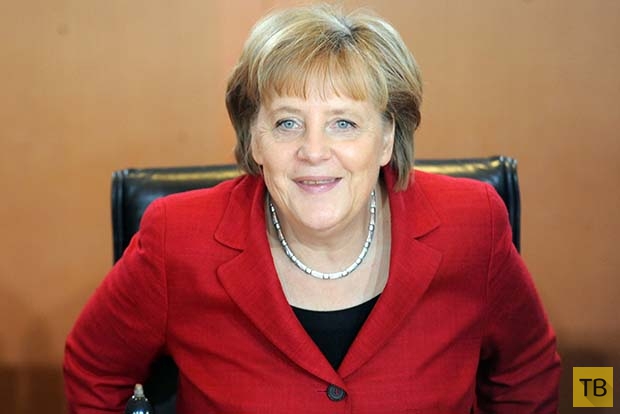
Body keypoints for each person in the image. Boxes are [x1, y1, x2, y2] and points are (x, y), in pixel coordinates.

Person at [64, 3, 561, 413]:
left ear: (387, 138)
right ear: (253, 139)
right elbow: (93, 370)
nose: (314, 151)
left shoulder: (471, 224)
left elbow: (527, 372)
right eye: (287, 123)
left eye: (344, 123)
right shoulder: (178, 238)